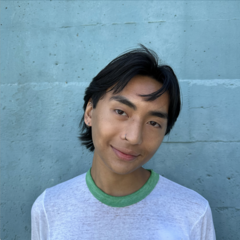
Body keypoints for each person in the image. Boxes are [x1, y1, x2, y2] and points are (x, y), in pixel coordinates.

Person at [31, 45, 216, 239]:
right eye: (121, 112)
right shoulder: (49, 208)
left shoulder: (193, 212)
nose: (134, 137)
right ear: (90, 112)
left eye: (153, 123)